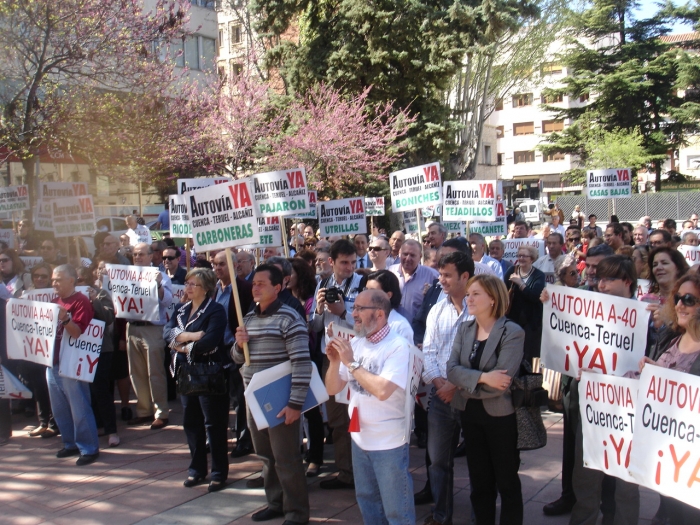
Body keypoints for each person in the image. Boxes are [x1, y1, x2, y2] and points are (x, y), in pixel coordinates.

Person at [324, 289, 415, 525]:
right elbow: (333, 389)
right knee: (368, 503)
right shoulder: (358, 343)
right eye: (354, 308)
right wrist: (335, 362)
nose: (353, 314)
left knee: (397, 511)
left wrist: (351, 363)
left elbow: (383, 390)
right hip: (360, 438)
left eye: (359, 309)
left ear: (380, 315)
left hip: (389, 442)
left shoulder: (397, 346)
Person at [233, 264, 312, 524]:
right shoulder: (249, 318)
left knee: (286, 459)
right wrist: (238, 344)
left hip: (280, 398)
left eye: (261, 283)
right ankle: (275, 503)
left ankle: (296, 512)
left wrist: (295, 404)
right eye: (253, 283)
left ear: (277, 288)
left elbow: (302, 362)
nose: (255, 287)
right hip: (253, 397)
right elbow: (237, 359)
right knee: (266, 456)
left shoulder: (289, 318)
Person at [446, 274, 525, 525]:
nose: (469, 298)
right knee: (479, 482)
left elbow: (501, 383)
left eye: (475, 293)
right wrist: (483, 378)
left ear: (492, 299)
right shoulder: (465, 328)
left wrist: (466, 383)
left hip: (500, 417)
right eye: (468, 294)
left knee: (506, 481)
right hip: (470, 413)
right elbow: (451, 370)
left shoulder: (511, 332)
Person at [640, 273, 700, 525]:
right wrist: (651, 369)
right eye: (677, 298)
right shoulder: (672, 338)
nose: (679, 305)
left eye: (689, 299)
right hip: (671, 457)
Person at [164, 268, 229, 492]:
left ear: (206, 288)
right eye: (187, 283)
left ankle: (219, 472)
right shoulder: (182, 310)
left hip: (207, 372)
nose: (188, 288)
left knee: (214, 423)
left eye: (194, 284)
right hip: (185, 372)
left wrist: (180, 344)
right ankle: (197, 469)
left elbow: (209, 342)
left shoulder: (216, 311)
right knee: (191, 422)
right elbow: (167, 333)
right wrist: (190, 337)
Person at [420, 252, 474, 525]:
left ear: (465, 277)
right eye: (440, 275)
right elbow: (428, 350)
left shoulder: (479, 309)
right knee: (438, 461)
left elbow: (479, 354)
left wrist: (456, 384)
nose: (441, 280)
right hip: (441, 397)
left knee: (478, 462)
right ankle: (441, 516)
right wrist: (438, 382)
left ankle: (480, 515)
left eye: (447, 275)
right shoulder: (437, 309)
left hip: (473, 397)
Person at [309, 239, 364, 490]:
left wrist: (343, 312)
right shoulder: (322, 283)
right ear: (331, 262)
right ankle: (346, 472)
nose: (349, 267)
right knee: (337, 419)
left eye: (353, 262)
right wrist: (320, 310)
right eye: (344, 262)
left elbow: (367, 326)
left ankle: (363, 471)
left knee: (361, 416)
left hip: (357, 358)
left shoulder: (363, 284)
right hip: (330, 358)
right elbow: (315, 328)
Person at [48, 264, 100, 466]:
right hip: (52, 361)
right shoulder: (54, 301)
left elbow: (77, 332)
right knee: (60, 407)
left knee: (79, 406)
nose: (55, 283)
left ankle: (89, 448)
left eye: (58, 279)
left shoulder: (81, 302)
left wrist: (64, 319)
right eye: (53, 279)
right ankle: (69, 443)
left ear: (72, 280)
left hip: (72, 362)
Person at [126, 243, 173, 429]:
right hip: (132, 327)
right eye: (135, 254)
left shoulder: (159, 275)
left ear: (151, 256)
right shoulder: (125, 275)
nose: (137, 257)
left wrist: (159, 284)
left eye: (141, 254)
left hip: (152, 328)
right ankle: (144, 410)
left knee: (155, 372)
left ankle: (161, 411)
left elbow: (167, 300)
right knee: (136, 372)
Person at [289, 256, 326, 476]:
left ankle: (316, 457)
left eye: (290, 273)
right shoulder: (283, 298)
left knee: (311, 410)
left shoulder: (311, 300)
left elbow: (315, 327)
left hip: (309, 359)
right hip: (289, 360)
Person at [504, 245, 546, 359]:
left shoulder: (539, 275)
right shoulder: (511, 270)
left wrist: (520, 283)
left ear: (531, 258)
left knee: (529, 354)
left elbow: (534, 296)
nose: (521, 258)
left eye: (524, 256)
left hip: (531, 322)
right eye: (519, 255)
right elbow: (503, 291)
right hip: (513, 318)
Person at [389, 239, 439, 323]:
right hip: (394, 329)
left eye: (412, 255)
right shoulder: (390, 272)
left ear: (420, 257)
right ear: (400, 253)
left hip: (418, 331)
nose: (408, 258)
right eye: (405, 254)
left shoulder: (432, 275)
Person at [364, 270, 414, 340]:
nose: (366, 295)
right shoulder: (364, 319)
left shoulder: (401, 327)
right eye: (365, 290)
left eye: (373, 291)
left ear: (388, 295)